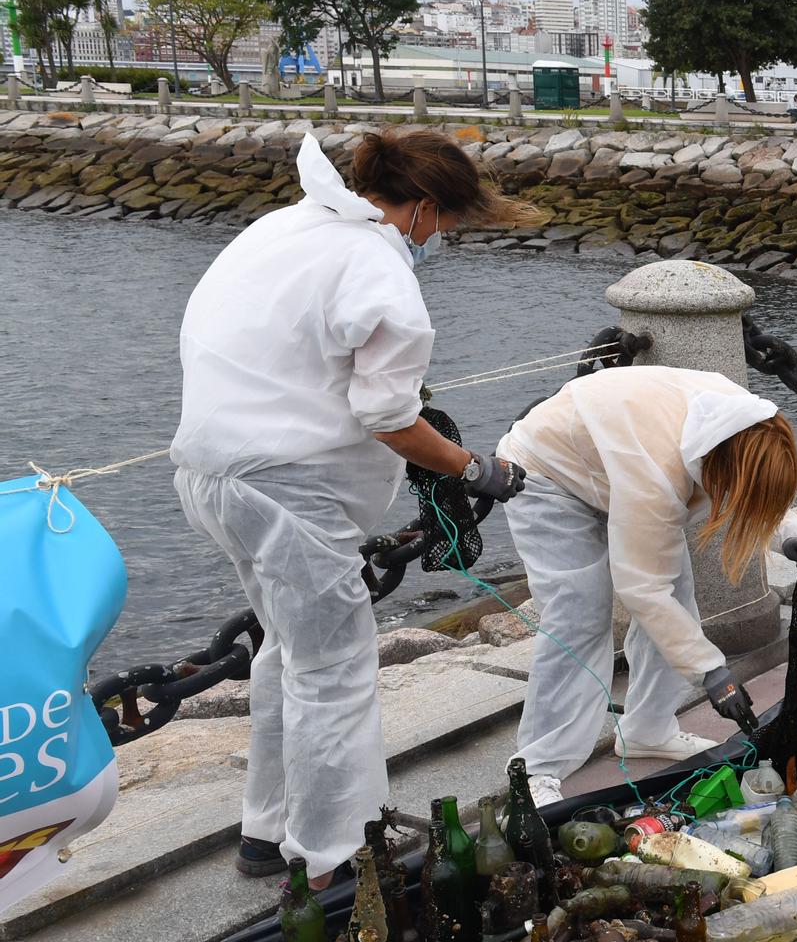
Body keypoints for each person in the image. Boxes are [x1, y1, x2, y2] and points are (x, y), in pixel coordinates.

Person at [174, 128, 541, 885]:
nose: (442, 238)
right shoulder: (379, 266)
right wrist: (477, 468)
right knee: (335, 670)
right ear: (423, 207)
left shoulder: (288, 226)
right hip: (288, 490)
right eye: (446, 223)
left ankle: (266, 830)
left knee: (288, 650)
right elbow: (389, 417)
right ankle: (336, 857)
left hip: (210, 472)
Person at [496, 367, 797, 807]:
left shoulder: (744, 421)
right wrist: (711, 671)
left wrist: (789, 534)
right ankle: (537, 767)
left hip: (611, 459)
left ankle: (647, 731)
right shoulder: (657, 471)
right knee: (579, 615)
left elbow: (757, 481)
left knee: (677, 605)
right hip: (545, 472)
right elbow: (643, 590)